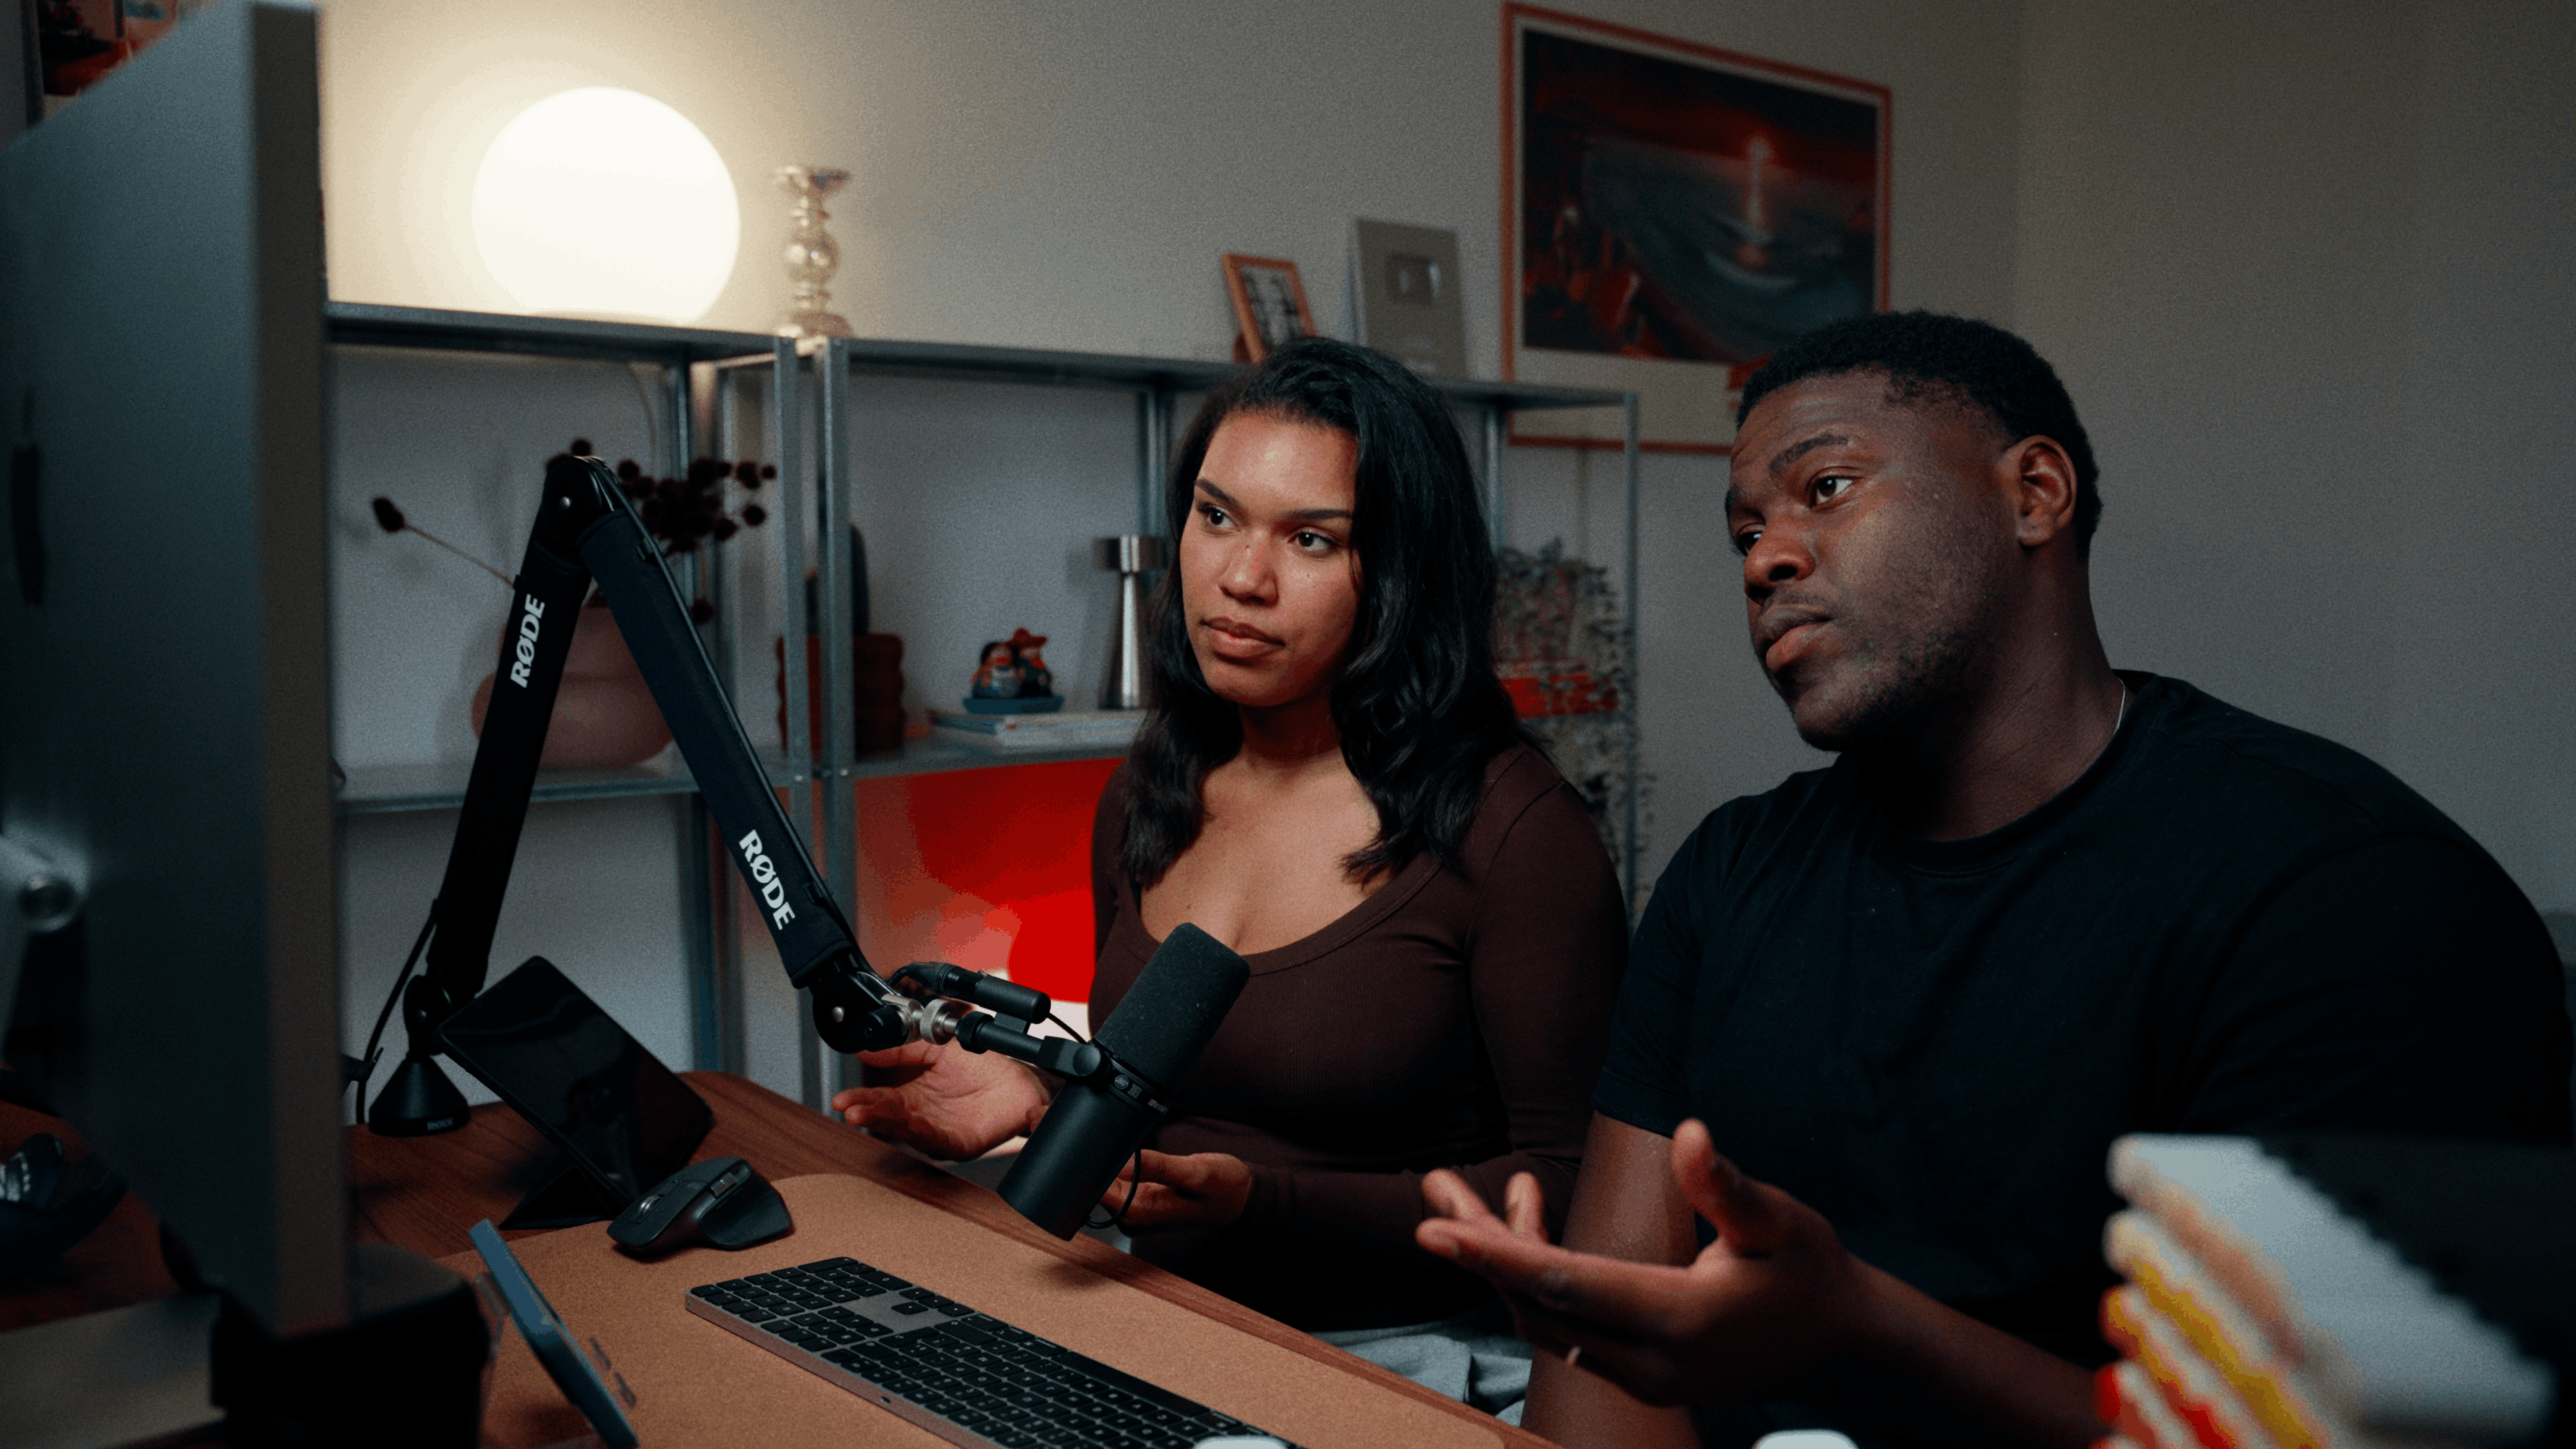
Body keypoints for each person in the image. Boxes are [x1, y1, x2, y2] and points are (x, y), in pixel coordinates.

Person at [1413, 311, 2575, 1447]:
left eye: (1826, 489)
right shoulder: (1729, 875)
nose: (1766, 558)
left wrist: (1857, 1333)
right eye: (1743, 532)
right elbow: (1606, 1356)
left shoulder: (2351, 901)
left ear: (2034, 495)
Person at [837, 338, 1629, 1350]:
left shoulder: (1517, 832)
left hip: (1404, 1359)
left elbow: (1579, 1190)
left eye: (1311, 540)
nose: (1241, 578)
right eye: (1217, 517)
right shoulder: (1145, 794)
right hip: (1150, 1316)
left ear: (1401, 571)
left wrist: (1266, 1203)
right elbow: (1168, 1092)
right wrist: (1040, 1092)